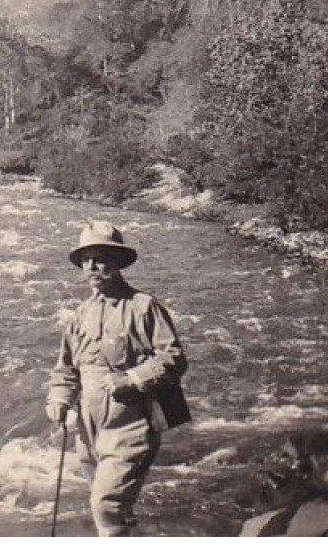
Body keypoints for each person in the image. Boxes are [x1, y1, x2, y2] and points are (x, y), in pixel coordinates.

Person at [45, 221, 190, 536]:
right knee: (110, 506)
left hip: (131, 427)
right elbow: (66, 368)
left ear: (118, 261)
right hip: (88, 429)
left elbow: (174, 358)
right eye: (87, 259)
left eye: (102, 258)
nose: (94, 266)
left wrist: (133, 377)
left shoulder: (143, 307)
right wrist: (58, 399)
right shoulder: (80, 314)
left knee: (105, 505)